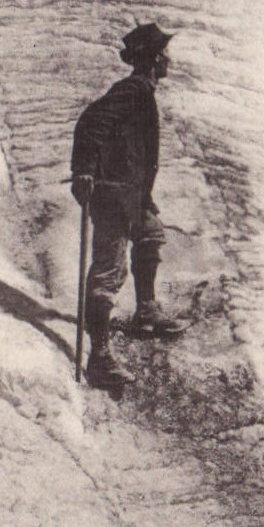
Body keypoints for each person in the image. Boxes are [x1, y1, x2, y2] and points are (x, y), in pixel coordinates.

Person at [71, 22, 186, 389]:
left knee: (150, 233)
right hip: (113, 195)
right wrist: (84, 171)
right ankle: (99, 357)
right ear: (153, 60)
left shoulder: (141, 91)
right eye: (164, 54)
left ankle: (147, 310)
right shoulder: (133, 89)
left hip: (131, 194)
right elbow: (90, 122)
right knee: (109, 271)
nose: (169, 60)